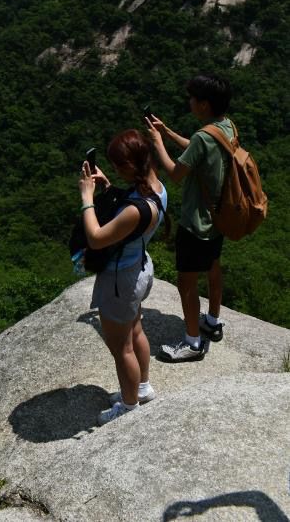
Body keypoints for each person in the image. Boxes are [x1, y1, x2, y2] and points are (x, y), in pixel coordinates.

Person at [79, 129, 168, 424]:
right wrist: (108, 186)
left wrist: (86, 198)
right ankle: (142, 387)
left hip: (121, 281)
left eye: (118, 167)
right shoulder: (158, 189)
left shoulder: (134, 210)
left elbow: (96, 238)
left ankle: (129, 407)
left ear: (131, 166)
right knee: (136, 331)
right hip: (140, 270)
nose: (115, 171)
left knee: (122, 348)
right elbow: (132, 208)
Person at [146, 73, 233, 363]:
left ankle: (192, 343)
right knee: (213, 267)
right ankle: (213, 321)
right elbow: (198, 152)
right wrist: (169, 132)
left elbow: (175, 172)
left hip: (196, 223)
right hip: (218, 218)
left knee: (186, 281)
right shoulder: (226, 128)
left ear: (205, 105)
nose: (190, 102)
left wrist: (157, 141)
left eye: (194, 98)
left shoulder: (202, 136)